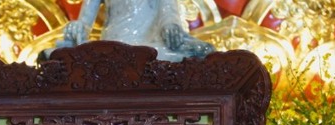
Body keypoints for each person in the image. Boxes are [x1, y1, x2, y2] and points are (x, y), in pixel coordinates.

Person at [52, 0, 214, 61]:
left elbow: (168, 11)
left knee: (190, 55)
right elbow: (85, 22)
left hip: (151, 43)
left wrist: (171, 26)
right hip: (113, 44)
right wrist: (78, 26)